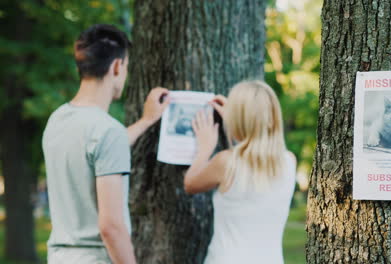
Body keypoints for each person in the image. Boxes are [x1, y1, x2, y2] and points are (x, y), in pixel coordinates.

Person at [42, 24, 170, 264]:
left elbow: (99, 151)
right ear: (117, 66)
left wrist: (146, 121)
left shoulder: (58, 120)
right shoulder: (107, 132)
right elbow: (111, 227)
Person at [184, 80, 296, 264]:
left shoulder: (226, 162)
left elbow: (190, 184)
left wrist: (204, 148)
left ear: (237, 119)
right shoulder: (289, 162)